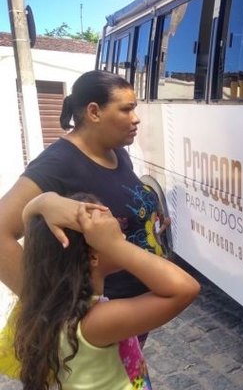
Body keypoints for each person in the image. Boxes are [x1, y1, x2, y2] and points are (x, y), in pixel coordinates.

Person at [0, 70, 168, 345]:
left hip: (132, 312)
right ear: (93, 112)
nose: (136, 118)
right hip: (100, 322)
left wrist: (146, 217)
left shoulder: (116, 151)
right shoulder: (59, 163)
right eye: (126, 109)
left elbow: (119, 200)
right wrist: (47, 311)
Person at [13, 192, 200, 389]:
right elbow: (185, 289)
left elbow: (32, 223)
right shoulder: (94, 321)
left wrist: (45, 201)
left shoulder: (57, 307)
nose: (124, 236)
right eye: (113, 232)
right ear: (93, 256)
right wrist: (115, 245)